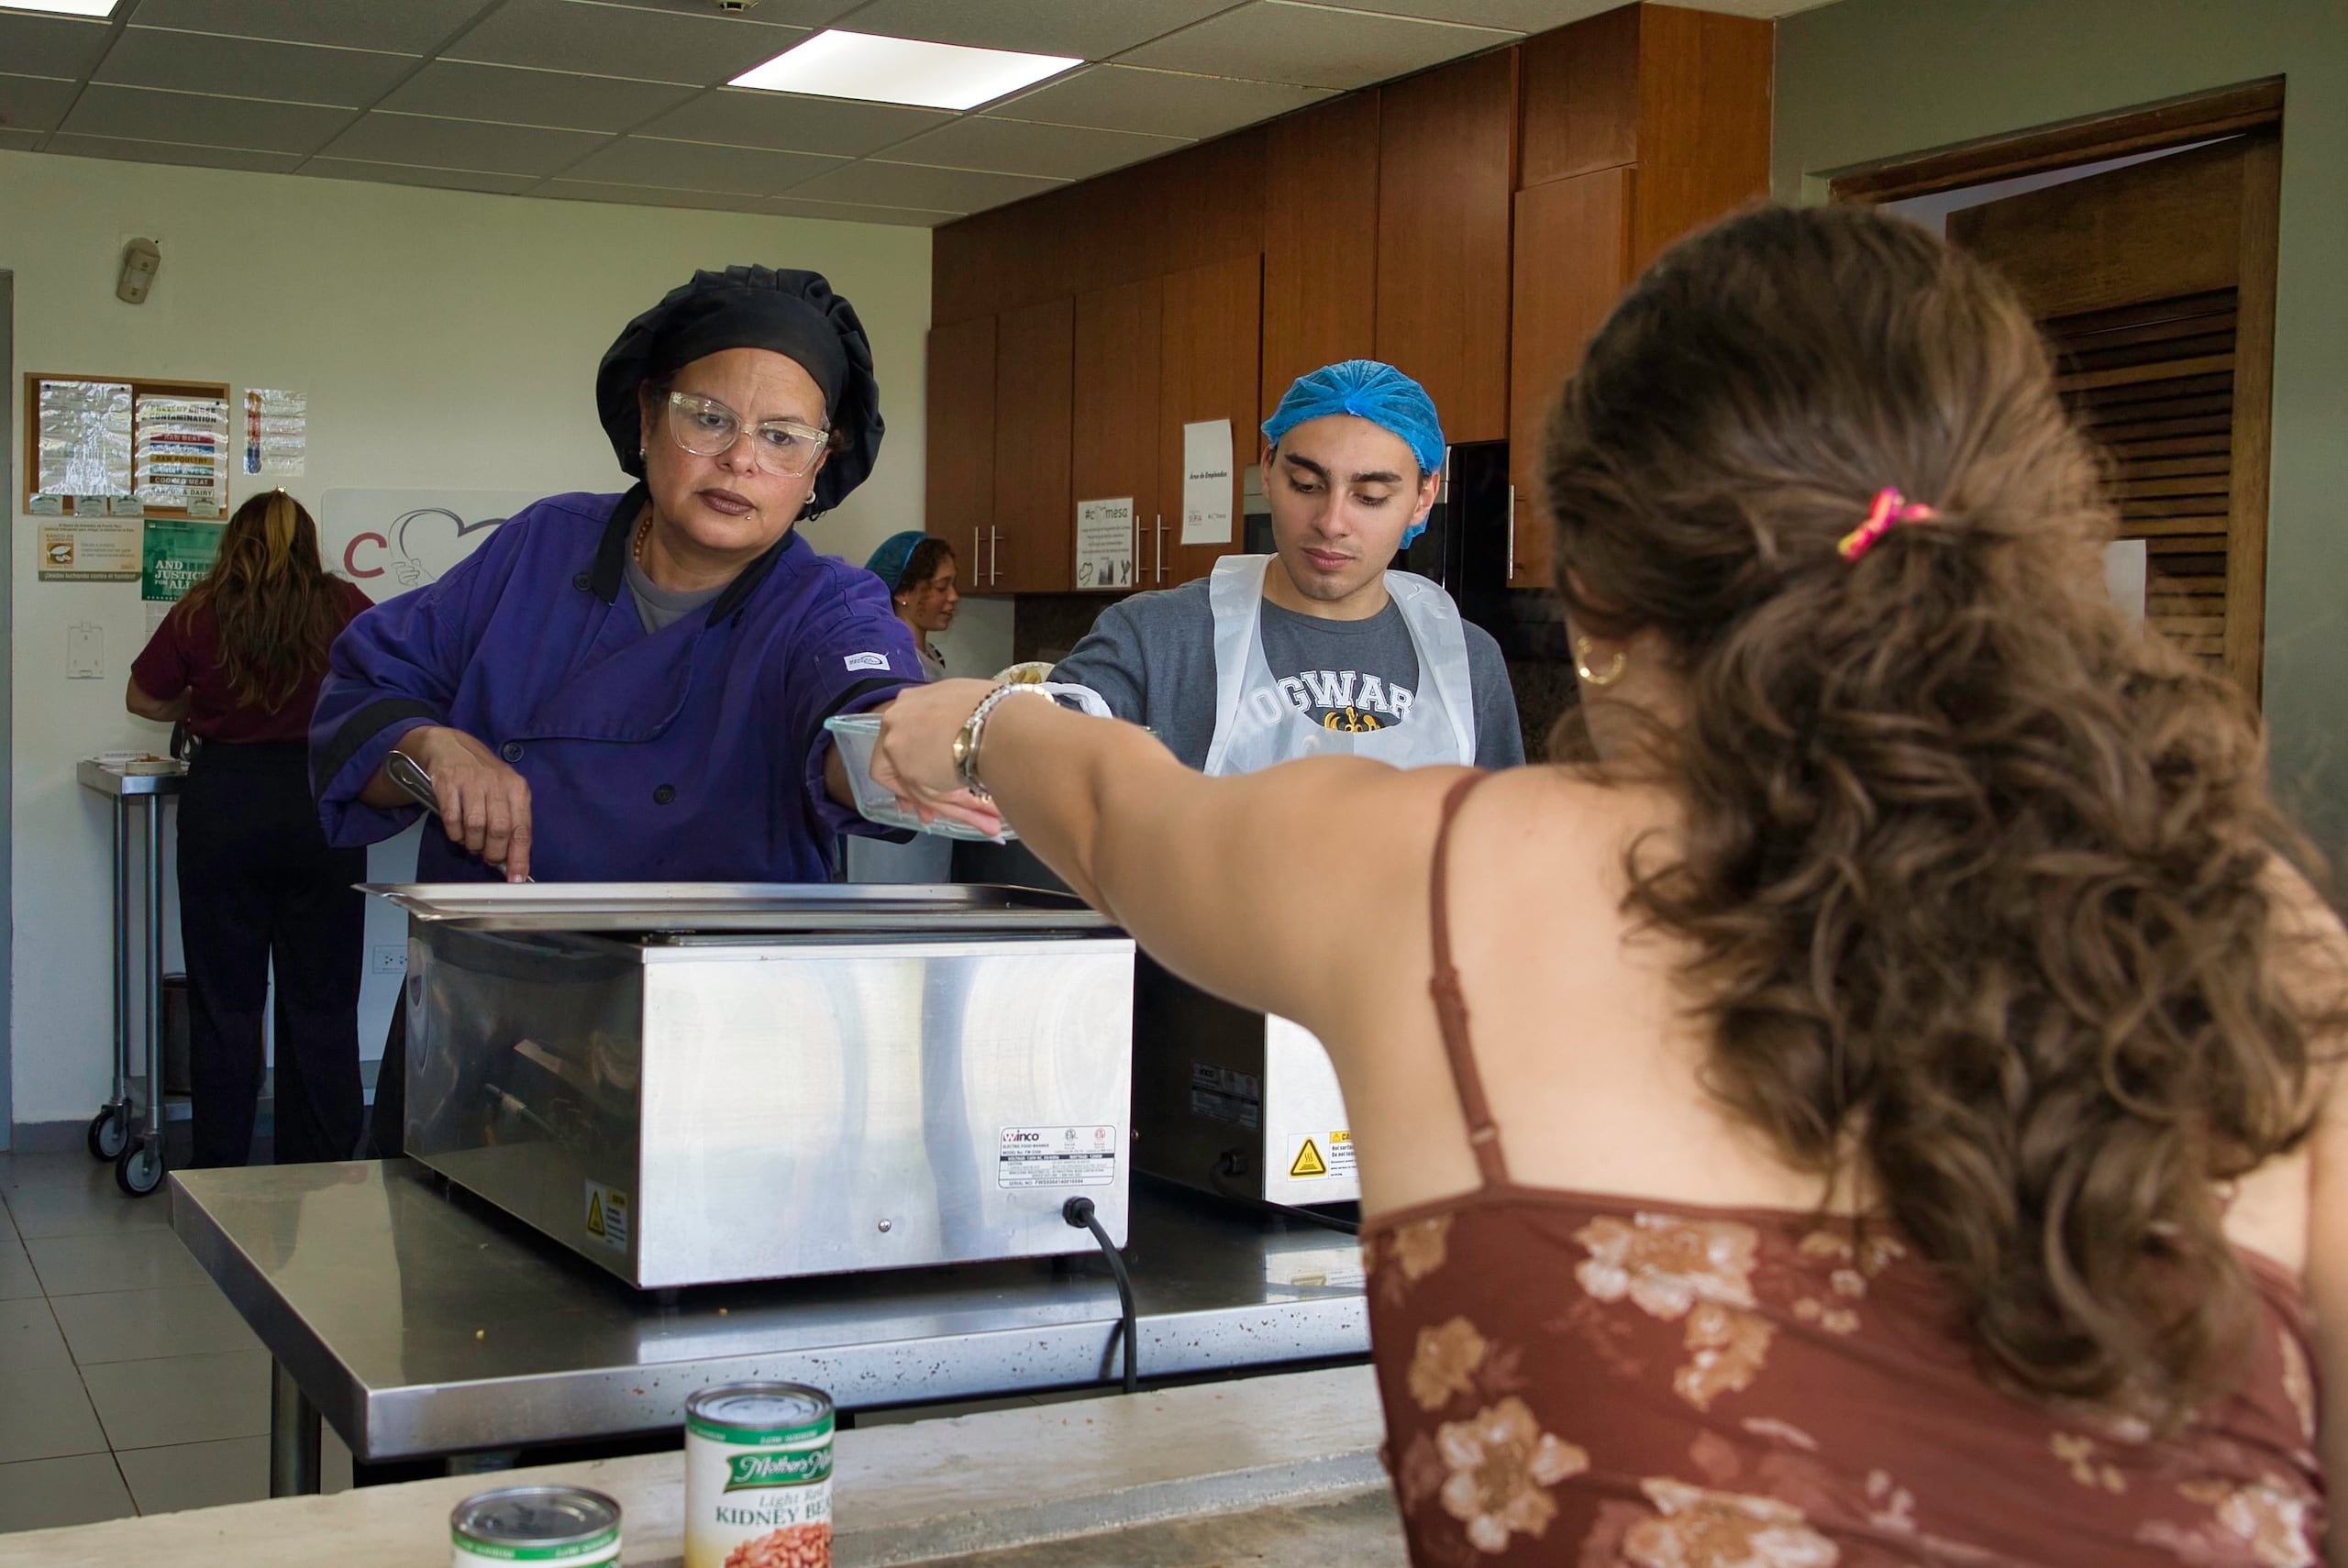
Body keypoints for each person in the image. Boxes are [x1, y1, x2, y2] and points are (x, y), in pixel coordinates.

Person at [870, 205, 2343, 1563]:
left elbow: (1127, 816)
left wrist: (979, 712)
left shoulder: (1445, 869)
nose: (1335, 516)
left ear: (1601, 575)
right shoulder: (2265, 937)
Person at [311, 265, 925, 1154]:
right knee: (451, 1271)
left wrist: (944, 741)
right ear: (646, 419)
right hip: (484, 1017)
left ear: (819, 467)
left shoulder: (827, 606)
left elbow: (868, 725)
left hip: (723, 1034)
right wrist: (435, 748)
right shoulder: (539, 546)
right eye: (707, 418)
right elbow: (366, 693)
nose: (741, 458)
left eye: (783, 436)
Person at [1052, 359, 1523, 774]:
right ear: (1269, 472)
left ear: (1423, 498)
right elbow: (1033, 751)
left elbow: (1504, 848)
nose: (1332, 523)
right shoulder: (1155, 637)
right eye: (1306, 485)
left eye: (1370, 497)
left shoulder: (1466, 662)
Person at [127, 491, 374, 1166]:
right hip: (320, 810)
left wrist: (205, 705)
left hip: (224, 809)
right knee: (322, 1001)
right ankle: (319, 1165)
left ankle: (219, 1166)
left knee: (225, 1002)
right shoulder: (342, 604)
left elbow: (142, 697)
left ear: (234, 541)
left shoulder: (202, 609)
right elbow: (388, 683)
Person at [866, 531, 958, 681]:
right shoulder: (895, 664)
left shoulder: (932, 655)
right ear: (903, 593)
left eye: (953, 584)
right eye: (941, 587)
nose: (954, 596)